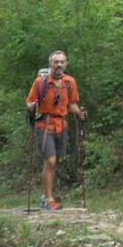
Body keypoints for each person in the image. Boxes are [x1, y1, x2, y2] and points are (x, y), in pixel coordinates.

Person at [25, 50, 86, 211]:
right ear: (50, 63)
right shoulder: (41, 82)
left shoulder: (70, 82)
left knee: (55, 162)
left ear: (66, 64)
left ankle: (47, 194)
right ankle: (48, 199)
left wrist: (79, 113)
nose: (59, 65)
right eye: (56, 62)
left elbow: (71, 104)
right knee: (50, 161)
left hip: (62, 124)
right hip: (44, 125)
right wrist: (32, 107)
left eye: (62, 62)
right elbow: (30, 102)